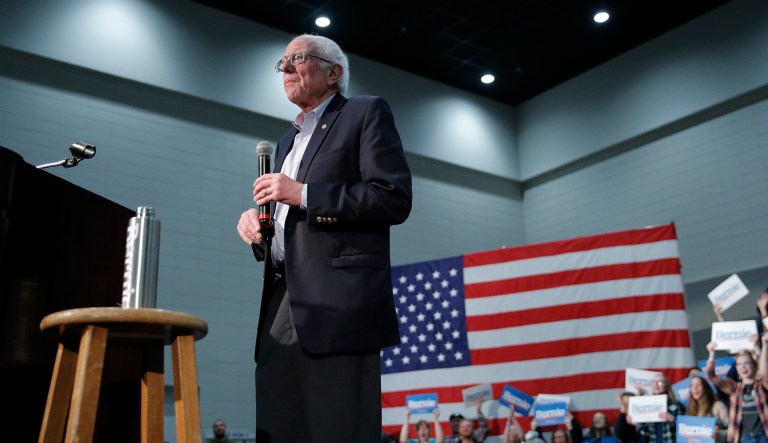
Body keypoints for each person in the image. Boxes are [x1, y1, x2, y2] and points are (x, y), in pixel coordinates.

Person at [236, 33, 412, 442]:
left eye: (297, 58)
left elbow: (392, 199)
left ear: (334, 72)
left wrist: (303, 194)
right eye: (281, 62)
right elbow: (289, 217)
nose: (286, 68)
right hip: (282, 300)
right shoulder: (286, 142)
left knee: (338, 429)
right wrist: (259, 228)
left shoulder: (365, 113)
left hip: (338, 305)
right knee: (280, 429)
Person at [707, 338, 768, 443]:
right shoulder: (734, 388)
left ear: (754, 366)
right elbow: (711, 376)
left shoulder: (762, 385)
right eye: (739, 364)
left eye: (747, 363)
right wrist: (711, 353)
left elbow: (763, 373)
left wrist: (761, 346)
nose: (743, 367)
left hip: (764, 435)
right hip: (744, 437)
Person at [614, 373, 682, 443]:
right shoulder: (644, 404)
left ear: (667, 385)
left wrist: (672, 419)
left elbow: (685, 428)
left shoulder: (676, 406)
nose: (656, 384)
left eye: (659, 382)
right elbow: (639, 430)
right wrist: (635, 421)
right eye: (653, 382)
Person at [685, 374, 728, 443]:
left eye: (698, 384)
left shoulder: (717, 406)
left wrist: (719, 434)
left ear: (705, 387)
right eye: (692, 385)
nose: (695, 388)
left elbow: (733, 430)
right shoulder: (689, 410)